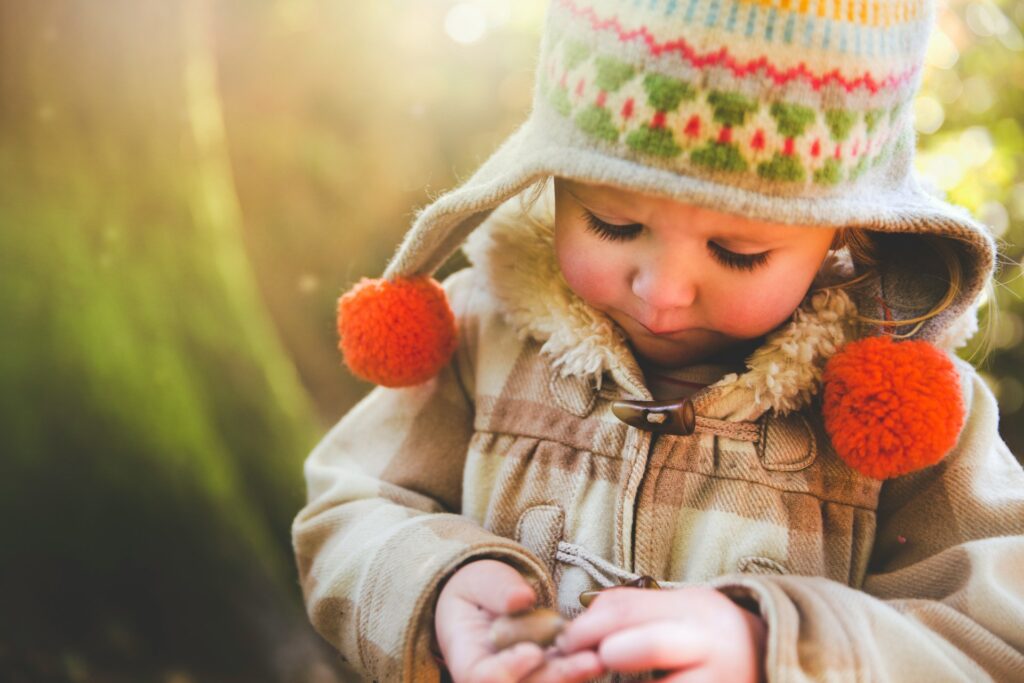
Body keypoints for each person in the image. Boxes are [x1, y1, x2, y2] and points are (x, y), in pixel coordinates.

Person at [293, 0, 1024, 680]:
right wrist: (437, 581)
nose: (663, 291)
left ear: (850, 233)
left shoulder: (912, 415)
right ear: (551, 181)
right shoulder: (480, 335)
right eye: (613, 223)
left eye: (739, 251)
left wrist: (779, 645)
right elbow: (346, 508)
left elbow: (997, 632)